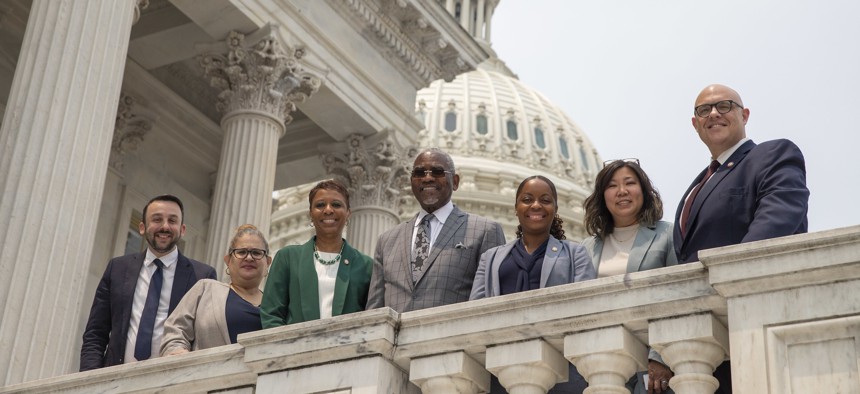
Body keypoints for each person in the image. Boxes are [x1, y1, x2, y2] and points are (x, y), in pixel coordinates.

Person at [674, 84, 810, 394]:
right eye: (703, 110)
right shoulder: (697, 186)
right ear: (695, 124)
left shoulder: (771, 155)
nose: (713, 114)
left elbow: (777, 221)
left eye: (724, 106)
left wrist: (730, 288)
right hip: (704, 348)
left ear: (744, 114)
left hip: (756, 324)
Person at [470, 175, 595, 394]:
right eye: (527, 199)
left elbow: (587, 311)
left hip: (561, 371)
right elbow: (475, 312)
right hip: (501, 370)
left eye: (545, 200)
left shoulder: (576, 254)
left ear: (555, 208)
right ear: (516, 207)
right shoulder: (491, 258)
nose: (536, 205)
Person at [80, 194, 216, 370]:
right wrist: (89, 381)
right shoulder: (118, 268)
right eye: (157, 219)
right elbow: (96, 333)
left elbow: (206, 339)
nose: (165, 226)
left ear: (182, 230)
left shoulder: (202, 276)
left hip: (172, 382)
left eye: (172, 221)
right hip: (115, 378)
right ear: (143, 227)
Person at [367, 148, 506, 313]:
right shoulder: (387, 241)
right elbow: (374, 312)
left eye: (437, 172)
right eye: (419, 173)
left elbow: (492, 304)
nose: (427, 178)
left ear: (454, 182)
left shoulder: (485, 231)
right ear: (411, 181)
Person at [581, 159, 678, 393]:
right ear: (602, 195)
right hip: (604, 363)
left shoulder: (667, 234)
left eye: (630, 183)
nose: (622, 191)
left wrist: (660, 356)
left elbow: (678, 297)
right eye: (612, 186)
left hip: (652, 363)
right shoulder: (586, 248)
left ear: (643, 191)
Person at [260, 180, 373, 327]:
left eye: (336, 205)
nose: (328, 210)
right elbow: (271, 315)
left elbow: (371, 318)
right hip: (295, 348)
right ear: (311, 214)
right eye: (320, 205)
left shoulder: (365, 265)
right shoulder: (288, 258)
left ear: (348, 213)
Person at [160, 224, 272, 355]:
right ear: (228, 260)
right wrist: (178, 352)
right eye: (241, 252)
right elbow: (175, 331)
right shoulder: (205, 290)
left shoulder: (276, 305)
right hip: (207, 373)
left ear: (268, 262)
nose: (249, 257)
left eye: (256, 253)